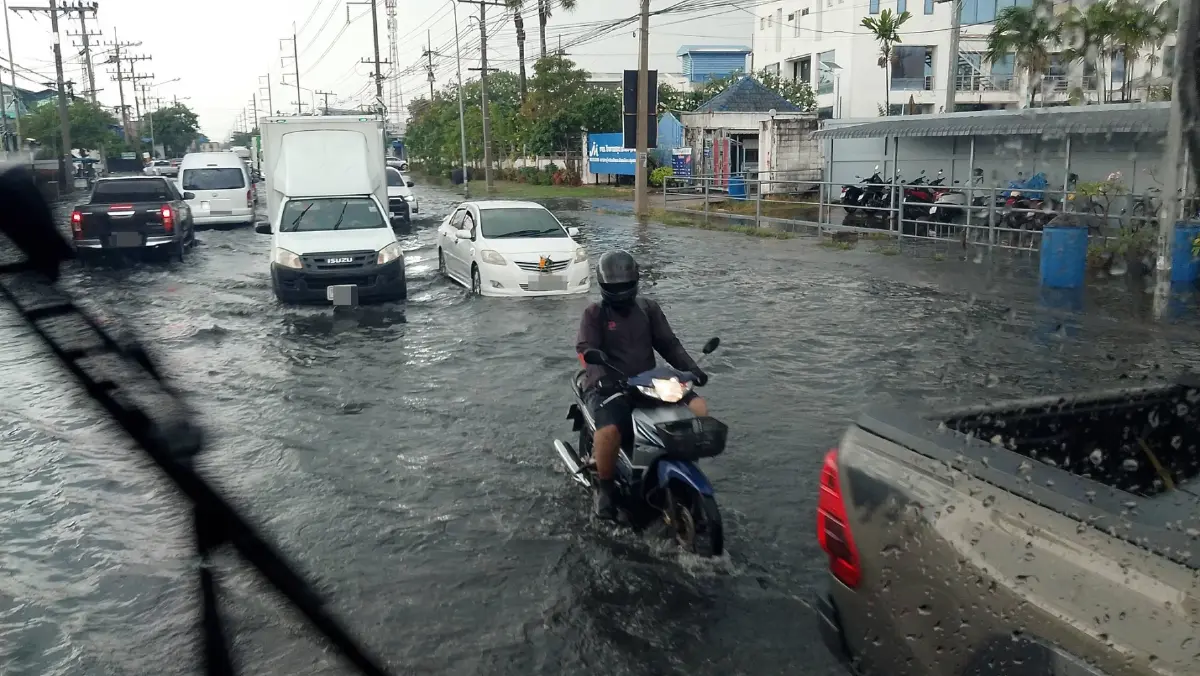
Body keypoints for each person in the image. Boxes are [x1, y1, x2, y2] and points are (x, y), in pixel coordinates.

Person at [575, 250, 708, 520]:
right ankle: (606, 489)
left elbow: (669, 344)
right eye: (615, 286)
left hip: (649, 382)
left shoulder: (649, 309)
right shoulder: (594, 314)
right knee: (610, 429)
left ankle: (682, 464)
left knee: (699, 407)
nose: (620, 291)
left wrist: (692, 369)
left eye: (625, 285)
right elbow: (586, 350)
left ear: (635, 281)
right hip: (608, 386)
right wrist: (602, 379)